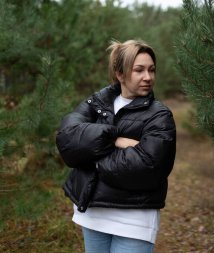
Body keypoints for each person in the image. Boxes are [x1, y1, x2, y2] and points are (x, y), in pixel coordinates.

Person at [56, 39, 176, 253]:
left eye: (151, 70)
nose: (148, 77)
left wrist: (89, 155)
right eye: (139, 70)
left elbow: (146, 168)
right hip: (92, 214)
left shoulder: (160, 116)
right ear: (120, 74)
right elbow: (67, 140)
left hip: (134, 220)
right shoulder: (98, 103)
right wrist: (114, 140)